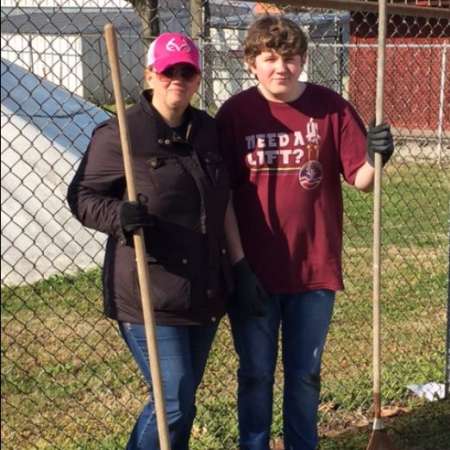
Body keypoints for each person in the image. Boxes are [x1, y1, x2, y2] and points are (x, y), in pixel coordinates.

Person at [217, 16, 394, 450]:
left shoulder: (330, 107)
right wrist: (238, 264)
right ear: (252, 63)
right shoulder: (235, 114)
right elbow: (220, 195)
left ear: (303, 61)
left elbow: (362, 179)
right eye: (270, 58)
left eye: (290, 58)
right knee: (256, 373)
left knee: (305, 375)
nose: (281, 68)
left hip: (313, 269)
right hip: (254, 271)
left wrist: (378, 156)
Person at [67, 32, 232, 450]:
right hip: (149, 292)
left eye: (187, 71)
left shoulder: (209, 132)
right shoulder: (121, 133)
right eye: (168, 70)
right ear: (150, 75)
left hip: (203, 289)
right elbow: (82, 196)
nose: (177, 78)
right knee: (172, 402)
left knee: (181, 404)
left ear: (197, 78)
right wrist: (118, 216)